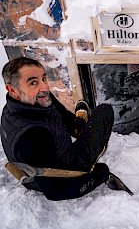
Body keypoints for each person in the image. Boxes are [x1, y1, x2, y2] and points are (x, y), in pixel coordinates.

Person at [0, 57, 123, 201]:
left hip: (53, 151)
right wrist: (101, 173)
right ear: (12, 90)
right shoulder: (32, 136)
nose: (45, 87)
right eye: (33, 82)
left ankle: (78, 125)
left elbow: (60, 112)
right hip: (64, 171)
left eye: (44, 78)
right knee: (104, 111)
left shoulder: (23, 103)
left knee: (55, 108)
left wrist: (76, 124)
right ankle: (90, 151)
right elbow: (57, 192)